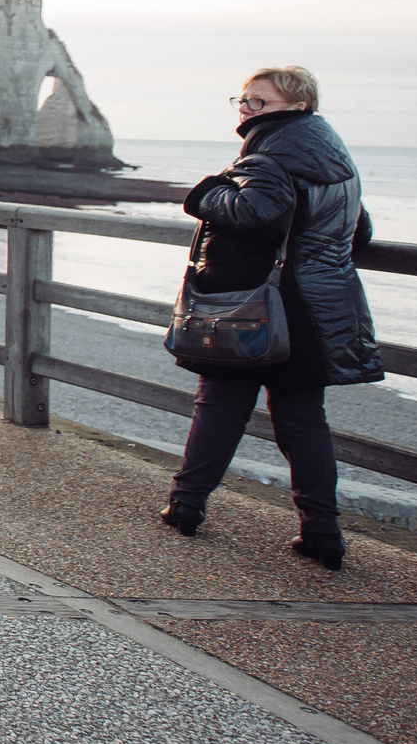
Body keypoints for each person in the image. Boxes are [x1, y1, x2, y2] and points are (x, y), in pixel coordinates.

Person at [160, 65, 382, 570]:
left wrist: (204, 194)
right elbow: (359, 233)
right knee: (303, 420)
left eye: (259, 103)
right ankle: (323, 533)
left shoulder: (270, 152)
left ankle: (186, 506)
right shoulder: (335, 158)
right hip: (317, 313)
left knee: (220, 405)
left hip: (258, 309)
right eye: (242, 100)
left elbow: (256, 213)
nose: (246, 110)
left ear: (298, 106)